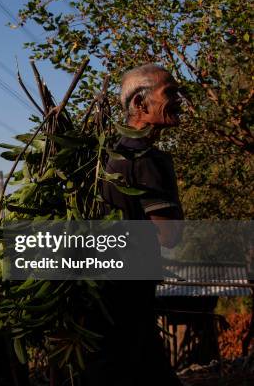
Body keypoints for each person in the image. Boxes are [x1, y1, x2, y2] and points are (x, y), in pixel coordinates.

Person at [81, 64, 185, 385]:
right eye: (169, 93)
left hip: (104, 295)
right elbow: (169, 235)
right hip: (129, 301)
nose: (179, 100)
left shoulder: (108, 156)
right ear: (141, 105)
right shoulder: (147, 160)